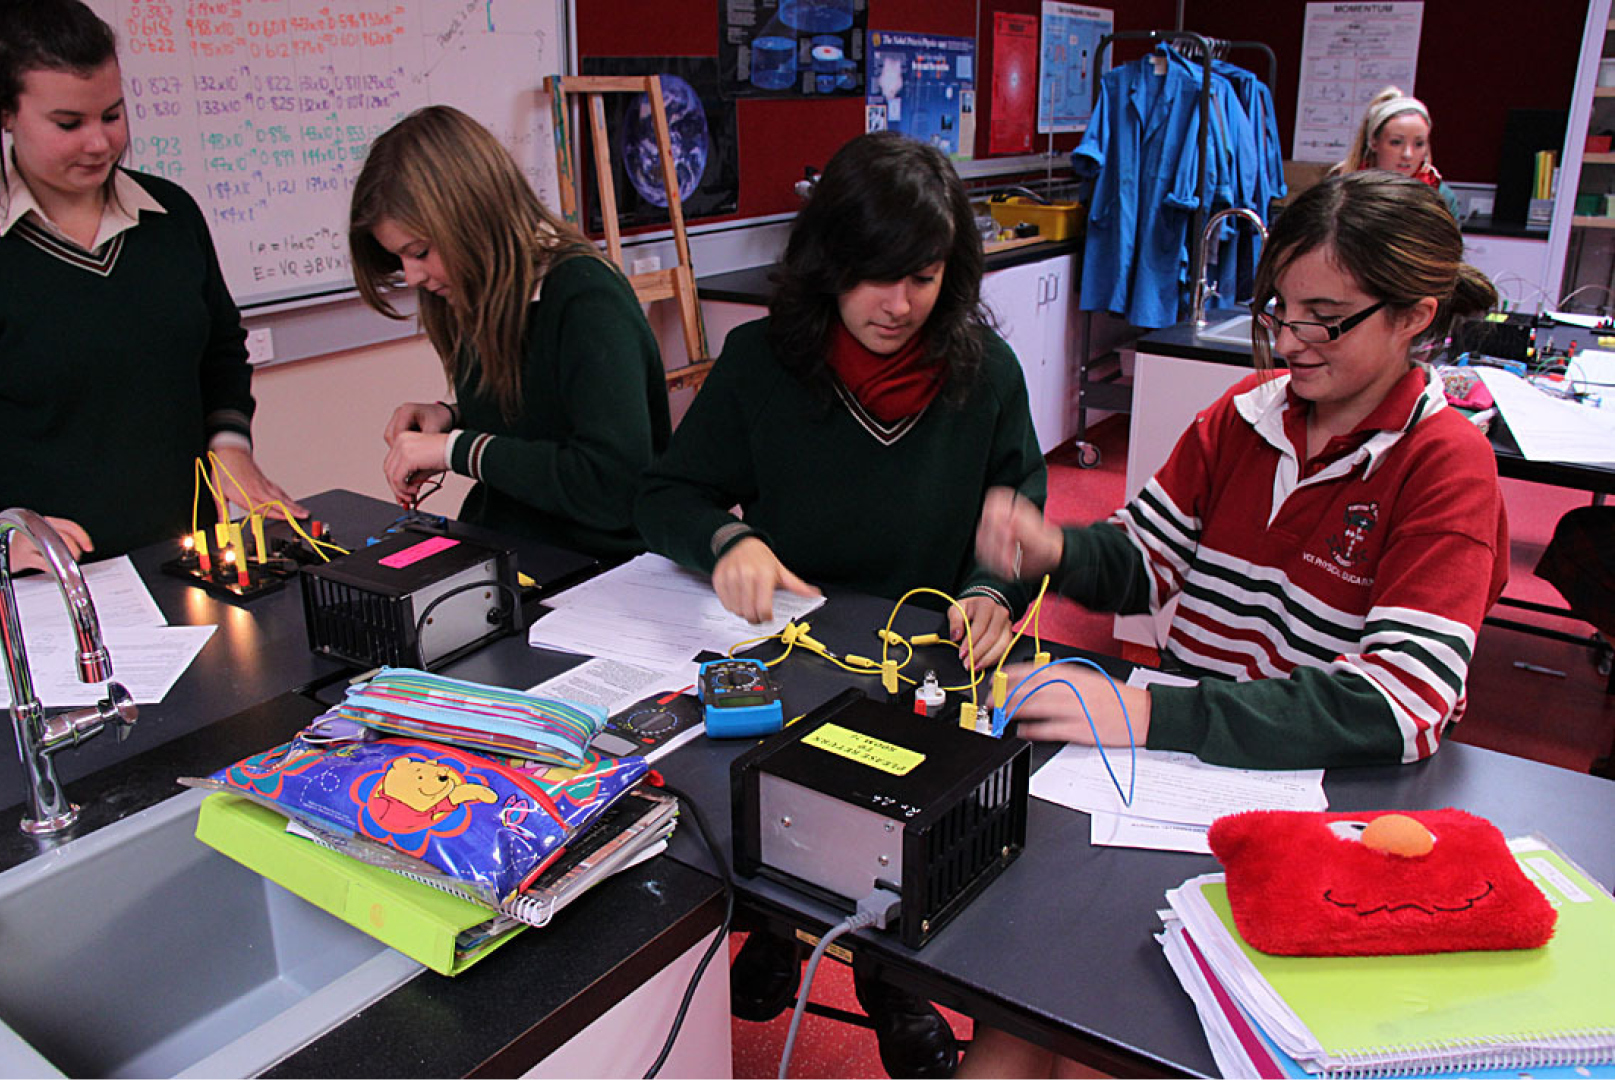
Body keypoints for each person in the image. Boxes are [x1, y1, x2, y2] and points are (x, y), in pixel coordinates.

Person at [960, 170, 1509, 1077]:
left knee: (1121, 1031)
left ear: (1414, 316)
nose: (1289, 342)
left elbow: (1398, 706)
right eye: (1277, 309)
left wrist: (1152, 716)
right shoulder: (1243, 418)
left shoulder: (1444, 464)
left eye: (1322, 318)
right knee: (1025, 1006)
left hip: (1318, 815)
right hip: (1175, 782)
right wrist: (1053, 546)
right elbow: (1147, 561)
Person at [635, 130, 1047, 1078]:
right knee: (763, 792)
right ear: (827, 262)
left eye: (924, 278)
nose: (897, 306)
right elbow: (663, 496)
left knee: (907, 811)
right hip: (793, 648)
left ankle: (890, 980)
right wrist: (728, 539)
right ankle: (776, 930)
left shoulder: (986, 375)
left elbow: (1020, 510)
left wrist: (991, 588)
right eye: (871, 276)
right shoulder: (760, 363)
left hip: (927, 663)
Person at [0, 0, 303, 572]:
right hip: (52, 586)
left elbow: (220, 350)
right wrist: (3, 540)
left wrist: (229, 447)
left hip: (187, 558)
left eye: (112, 115)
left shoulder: (171, 214)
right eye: (69, 124)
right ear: (8, 113)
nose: (99, 143)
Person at [349, 105, 669, 559]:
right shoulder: (481, 294)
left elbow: (611, 483)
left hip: (595, 566)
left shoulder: (585, 297)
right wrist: (453, 416)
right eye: (400, 261)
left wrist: (454, 450)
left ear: (471, 218)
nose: (414, 277)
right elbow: (545, 415)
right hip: (509, 544)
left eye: (420, 251)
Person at [1330, 85, 1461, 219]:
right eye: (1396, 142)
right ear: (1374, 142)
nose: (1407, 154)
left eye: (1419, 144)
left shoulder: (1441, 197)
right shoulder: (1341, 190)